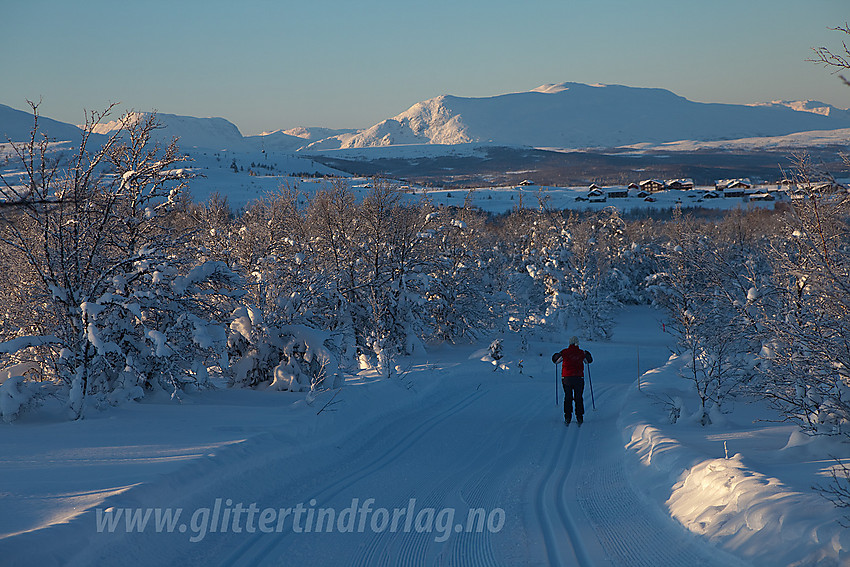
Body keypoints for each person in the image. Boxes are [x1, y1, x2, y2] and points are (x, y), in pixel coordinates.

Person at [552, 336, 593, 425]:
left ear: (569, 343)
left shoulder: (564, 352)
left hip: (567, 378)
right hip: (578, 378)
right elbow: (588, 362)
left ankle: (567, 416)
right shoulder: (581, 352)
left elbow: (556, 361)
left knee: (568, 397)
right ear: (577, 343)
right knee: (578, 397)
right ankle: (579, 417)